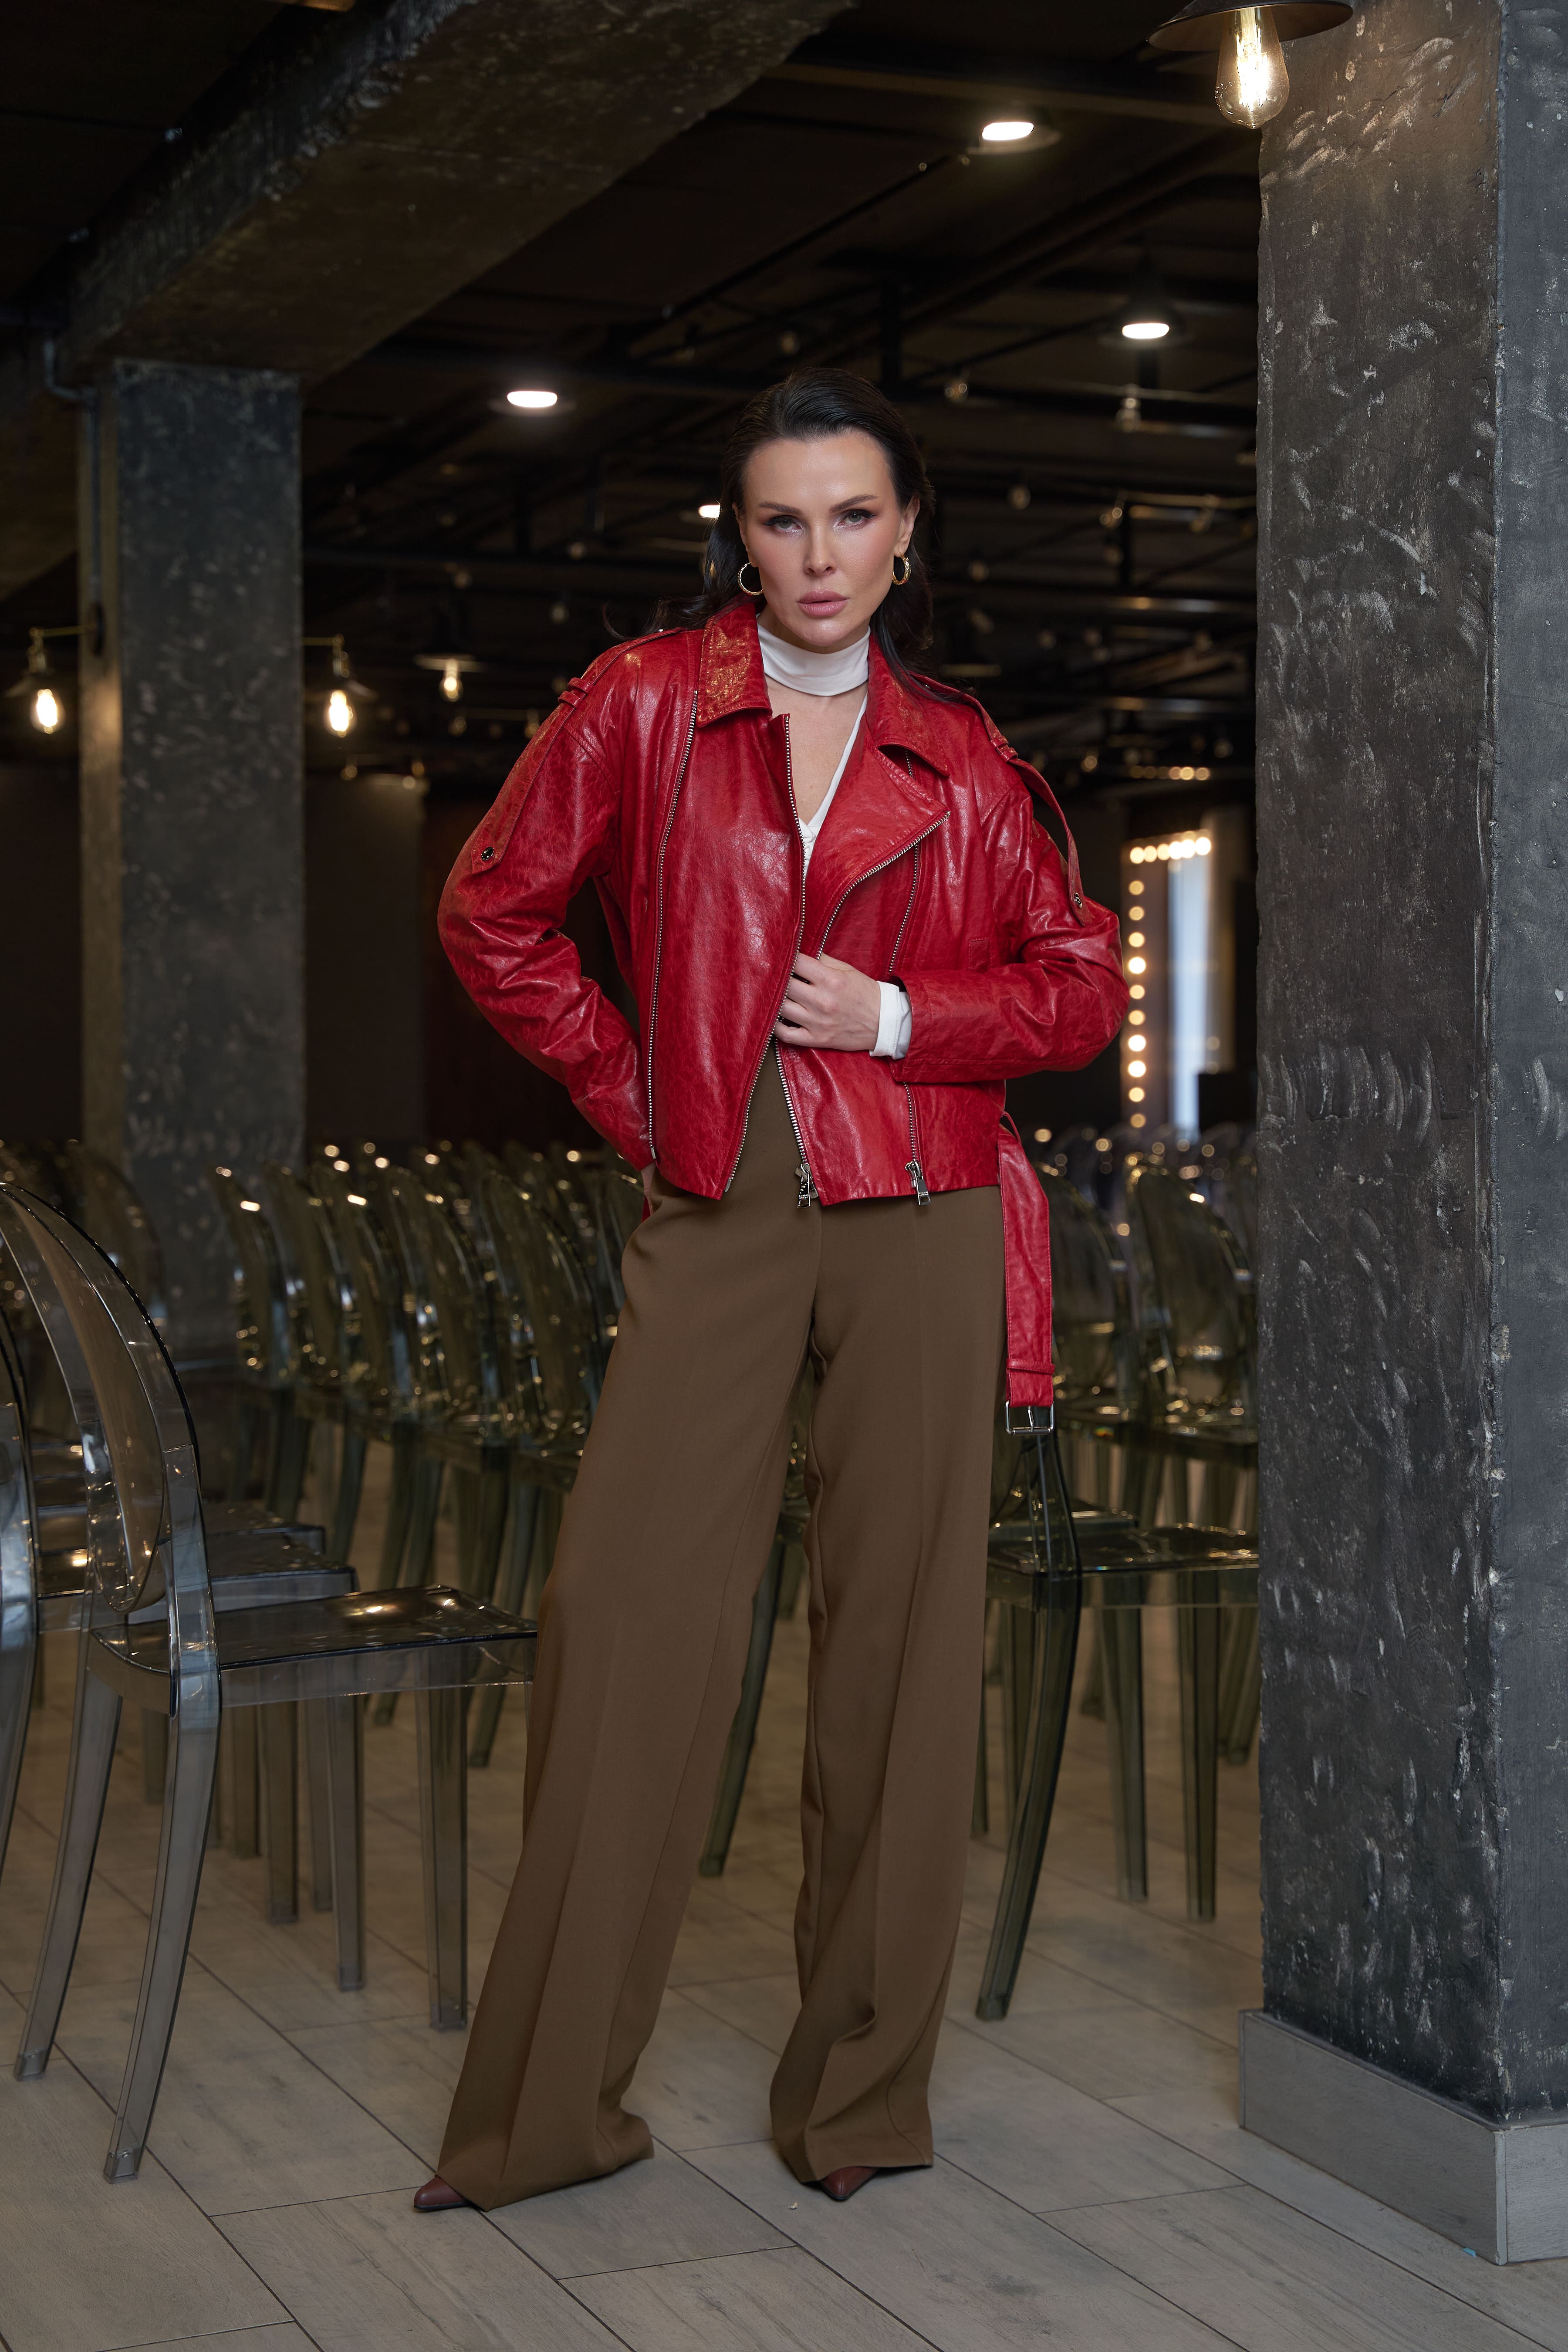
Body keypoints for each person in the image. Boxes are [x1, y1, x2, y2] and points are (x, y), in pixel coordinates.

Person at [413, 366, 1126, 2214]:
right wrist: (646, 1089)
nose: (820, 554)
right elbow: (495, 914)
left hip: (929, 1204)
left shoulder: (963, 753)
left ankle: (862, 2106)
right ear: (742, 537)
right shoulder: (645, 702)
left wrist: (900, 1016)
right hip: (718, 1205)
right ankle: (542, 2121)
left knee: (905, 1655)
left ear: (907, 535)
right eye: (784, 518)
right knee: (624, 1619)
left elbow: (1080, 990)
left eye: (854, 516)